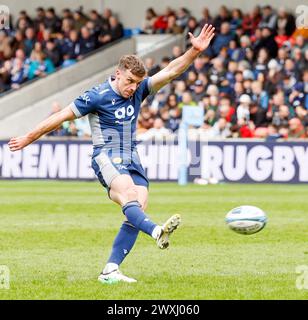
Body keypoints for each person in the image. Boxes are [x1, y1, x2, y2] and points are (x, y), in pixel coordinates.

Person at [8, 24, 215, 284]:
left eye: (137, 83)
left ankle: (110, 270)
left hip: (131, 156)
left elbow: (171, 71)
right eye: (129, 81)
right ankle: (156, 230)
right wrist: (29, 137)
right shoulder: (96, 96)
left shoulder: (139, 90)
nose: (133, 88)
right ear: (118, 74)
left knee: (137, 205)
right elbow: (60, 117)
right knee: (129, 194)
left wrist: (194, 52)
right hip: (106, 155)